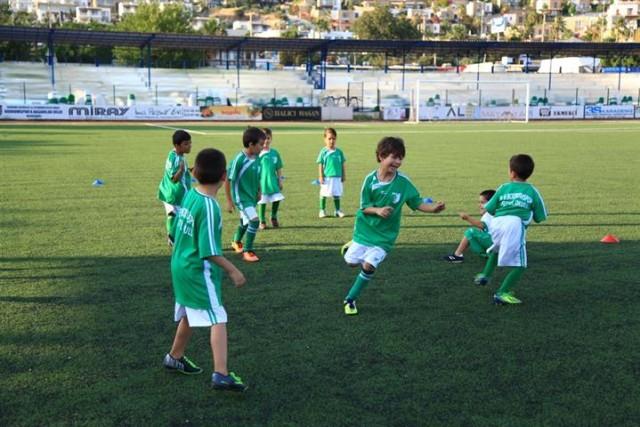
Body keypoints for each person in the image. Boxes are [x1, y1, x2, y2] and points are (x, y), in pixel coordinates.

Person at [163, 148, 248, 392]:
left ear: (196, 172)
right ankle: (221, 373)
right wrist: (234, 270)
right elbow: (209, 250)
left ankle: (174, 357)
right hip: (197, 270)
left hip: (180, 264)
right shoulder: (210, 207)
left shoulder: (191, 195)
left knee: (190, 312)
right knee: (217, 316)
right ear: (224, 176)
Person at [342, 137, 446, 315]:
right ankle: (349, 246)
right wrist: (378, 210)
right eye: (394, 157)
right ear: (381, 157)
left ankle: (350, 299)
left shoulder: (403, 182)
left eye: (401, 158)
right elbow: (364, 207)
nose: (398, 162)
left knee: (369, 265)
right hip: (365, 231)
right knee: (351, 262)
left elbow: (416, 202)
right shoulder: (369, 180)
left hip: (385, 237)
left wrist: (433, 209)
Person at [474, 154, 548, 305]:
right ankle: (502, 292)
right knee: (520, 265)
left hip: (497, 224)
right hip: (514, 225)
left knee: (496, 249)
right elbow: (540, 217)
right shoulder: (533, 191)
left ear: (512, 173)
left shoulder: (503, 187)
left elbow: (489, 208)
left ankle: (484, 276)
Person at [225, 127, 266, 262]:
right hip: (241, 198)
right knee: (254, 221)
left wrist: (259, 191)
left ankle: (236, 241)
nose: (263, 146)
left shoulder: (257, 157)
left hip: (251, 197)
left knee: (244, 222)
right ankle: (248, 251)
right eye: (261, 144)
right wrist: (229, 201)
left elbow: (258, 175)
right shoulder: (239, 159)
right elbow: (228, 179)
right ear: (251, 144)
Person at [157, 130, 192, 245]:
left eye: (190, 143)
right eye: (186, 144)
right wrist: (182, 170)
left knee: (173, 215)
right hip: (175, 194)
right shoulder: (177, 159)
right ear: (177, 145)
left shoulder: (173, 154)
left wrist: (188, 169)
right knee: (181, 217)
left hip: (169, 191)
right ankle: (173, 239)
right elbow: (174, 179)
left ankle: (173, 238)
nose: (189, 146)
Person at [443, 189, 496, 263]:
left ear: (491, 203)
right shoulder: (496, 212)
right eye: (479, 202)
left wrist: (467, 218)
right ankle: (490, 255)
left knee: (470, 232)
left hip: (495, 242)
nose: (479, 205)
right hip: (499, 243)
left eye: (482, 202)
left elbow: (482, 226)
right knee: (476, 234)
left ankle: (457, 255)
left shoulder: (489, 214)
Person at [257, 128, 284, 230]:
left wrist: (280, 180)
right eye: (263, 138)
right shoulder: (258, 153)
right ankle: (262, 220)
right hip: (262, 182)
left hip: (272, 181)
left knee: (277, 198)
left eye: (268, 138)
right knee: (262, 201)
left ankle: (273, 216)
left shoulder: (275, 153)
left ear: (271, 139)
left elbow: (279, 168)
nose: (266, 141)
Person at [317, 127, 346, 218]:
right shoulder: (323, 152)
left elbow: (342, 164)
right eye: (329, 139)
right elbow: (320, 164)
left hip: (337, 177)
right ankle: (322, 210)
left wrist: (343, 174)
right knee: (324, 193)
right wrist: (321, 176)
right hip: (327, 177)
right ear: (325, 139)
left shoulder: (339, 152)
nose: (331, 141)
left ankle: (337, 210)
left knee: (336, 193)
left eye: (333, 138)